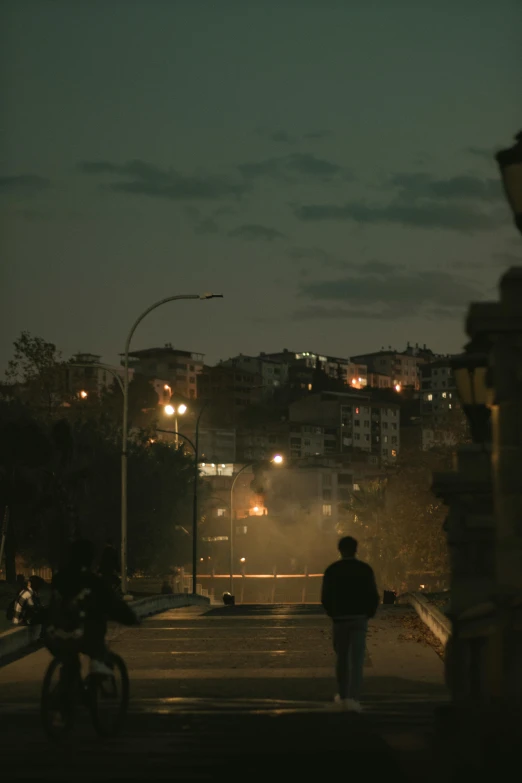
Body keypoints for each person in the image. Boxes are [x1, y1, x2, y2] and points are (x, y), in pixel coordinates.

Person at [45, 539, 139, 676]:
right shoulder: (93, 582)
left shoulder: (59, 578)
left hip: (52, 635)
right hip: (80, 636)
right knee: (95, 628)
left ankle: (66, 686)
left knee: (70, 663)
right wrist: (131, 618)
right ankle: (96, 672)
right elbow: (114, 605)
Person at [321, 536, 379, 712]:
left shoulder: (332, 570)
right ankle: (354, 696)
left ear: (340, 550)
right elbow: (372, 594)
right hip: (359, 618)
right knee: (357, 658)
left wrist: (333, 613)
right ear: (356, 549)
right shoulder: (364, 569)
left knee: (342, 658)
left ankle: (343, 694)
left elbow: (326, 596)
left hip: (340, 619)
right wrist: (369, 613)